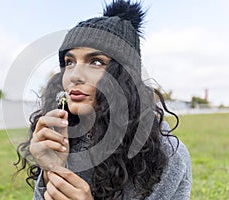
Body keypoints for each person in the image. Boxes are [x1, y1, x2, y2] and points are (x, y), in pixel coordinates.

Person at [14, 0, 192, 199]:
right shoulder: (63, 138)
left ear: (123, 76)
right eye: (69, 62)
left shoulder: (166, 155)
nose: (75, 75)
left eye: (96, 62)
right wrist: (52, 170)